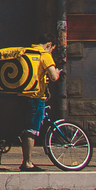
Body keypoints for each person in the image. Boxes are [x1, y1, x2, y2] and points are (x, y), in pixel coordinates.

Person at [15, 44, 60, 172]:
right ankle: (27, 163)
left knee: (26, 126)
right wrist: (56, 73)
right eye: (52, 49)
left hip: (22, 95)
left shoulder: (27, 52)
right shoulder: (44, 55)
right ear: (49, 45)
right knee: (32, 129)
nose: (51, 51)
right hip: (35, 97)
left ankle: (26, 159)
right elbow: (53, 77)